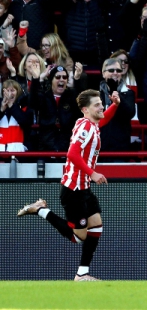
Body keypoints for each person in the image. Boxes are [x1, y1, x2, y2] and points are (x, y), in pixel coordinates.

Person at [16, 89, 119, 281]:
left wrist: (115, 104)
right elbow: (71, 154)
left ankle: (82, 274)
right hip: (73, 190)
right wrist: (93, 173)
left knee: (96, 225)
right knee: (78, 237)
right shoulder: (86, 127)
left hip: (84, 187)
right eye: (97, 104)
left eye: (101, 103)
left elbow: (103, 119)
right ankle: (40, 210)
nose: (101, 107)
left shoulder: (90, 123)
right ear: (85, 110)